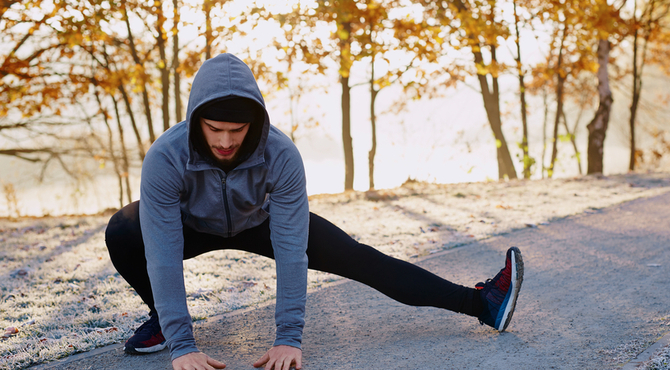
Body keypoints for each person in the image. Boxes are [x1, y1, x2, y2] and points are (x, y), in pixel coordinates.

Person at [104, 53, 524, 370]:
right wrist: (184, 345)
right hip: (190, 223)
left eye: (237, 130)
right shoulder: (165, 157)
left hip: (259, 221)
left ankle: (483, 304)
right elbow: (161, 253)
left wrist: (289, 338)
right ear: (196, 120)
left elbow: (291, 252)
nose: (226, 141)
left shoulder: (281, 153)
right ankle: (163, 320)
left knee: (361, 258)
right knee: (123, 230)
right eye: (215, 130)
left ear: (255, 121)